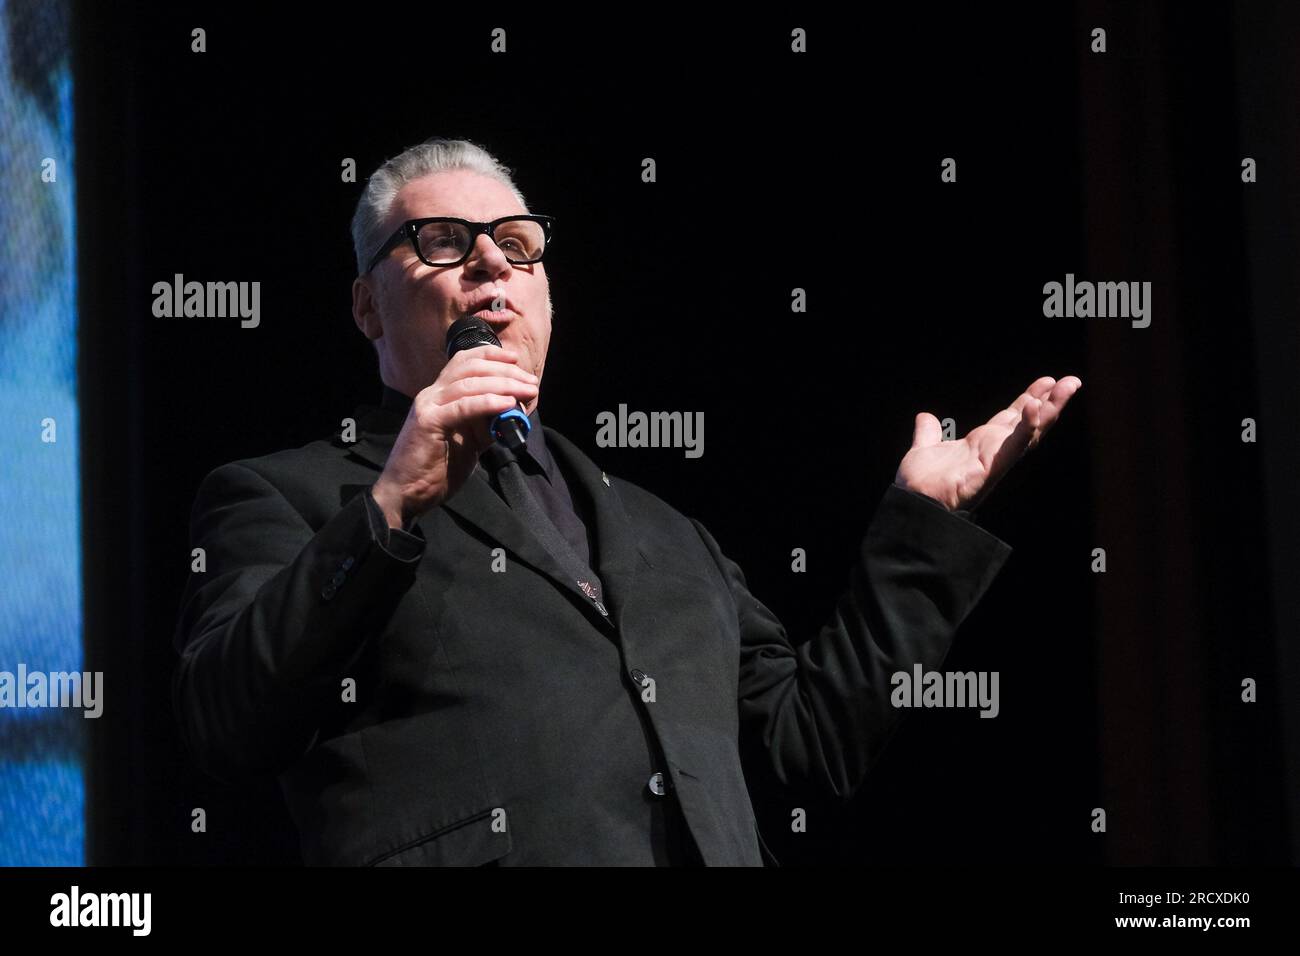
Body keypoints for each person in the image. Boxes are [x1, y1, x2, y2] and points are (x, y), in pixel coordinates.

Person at [170, 137, 1081, 866]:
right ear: (369, 307)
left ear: (549, 299)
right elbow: (227, 720)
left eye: (518, 245)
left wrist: (919, 529)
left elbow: (809, 748)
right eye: (443, 241)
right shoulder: (286, 494)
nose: (490, 260)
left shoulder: (664, 531)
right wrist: (390, 508)